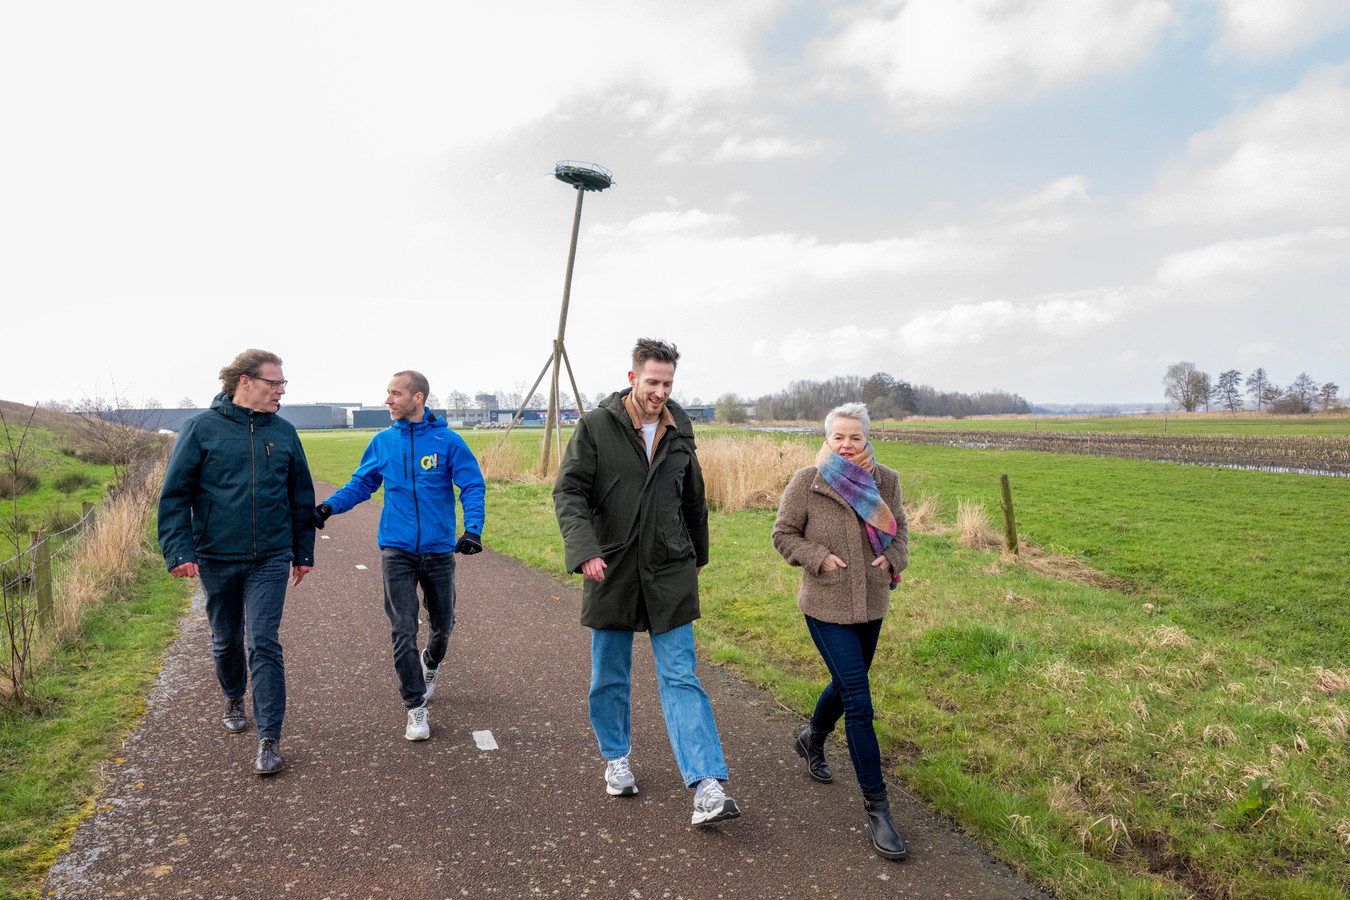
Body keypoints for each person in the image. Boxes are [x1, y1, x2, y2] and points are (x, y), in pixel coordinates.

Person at [553, 338, 740, 827]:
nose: (660, 392)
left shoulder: (681, 431)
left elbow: (694, 500)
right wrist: (584, 549)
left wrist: (697, 555)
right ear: (633, 377)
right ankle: (617, 757)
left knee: (681, 676)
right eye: (653, 381)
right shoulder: (596, 426)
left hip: (669, 568)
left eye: (668, 383)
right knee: (609, 675)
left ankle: (706, 784)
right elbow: (569, 491)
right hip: (610, 567)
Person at [158, 349, 316, 776]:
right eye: (275, 383)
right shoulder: (200, 429)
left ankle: (270, 738)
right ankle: (232, 694)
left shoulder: (283, 433)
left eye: (284, 384)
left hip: (270, 556)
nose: (281, 391)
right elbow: (175, 496)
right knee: (226, 638)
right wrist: (179, 550)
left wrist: (302, 552)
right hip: (215, 555)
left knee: (262, 641)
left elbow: (300, 496)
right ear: (245, 381)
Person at [312, 370, 485, 742]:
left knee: (443, 626)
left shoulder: (448, 441)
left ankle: (431, 663)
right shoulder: (382, 442)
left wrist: (472, 529)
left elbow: (471, 485)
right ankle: (415, 706)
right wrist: (328, 507)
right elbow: (362, 483)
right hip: (397, 550)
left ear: (417, 398)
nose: (387, 400)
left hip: (439, 551)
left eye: (394, 393)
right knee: (402, 628)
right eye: (388, 393)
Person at [771, 402, 909, 860]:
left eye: (855, 437)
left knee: (847, 685)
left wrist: (894, 558)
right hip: (826, 604)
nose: (847, 446)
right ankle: (878, 808)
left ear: (866, 438)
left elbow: (901, 531)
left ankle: (813, 736)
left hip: (871, 602)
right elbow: (784, 535)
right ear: (826, 438)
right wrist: (818, 558)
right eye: (838, 438)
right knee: (860, 702)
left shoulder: (885, 480)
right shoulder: (806, 481)